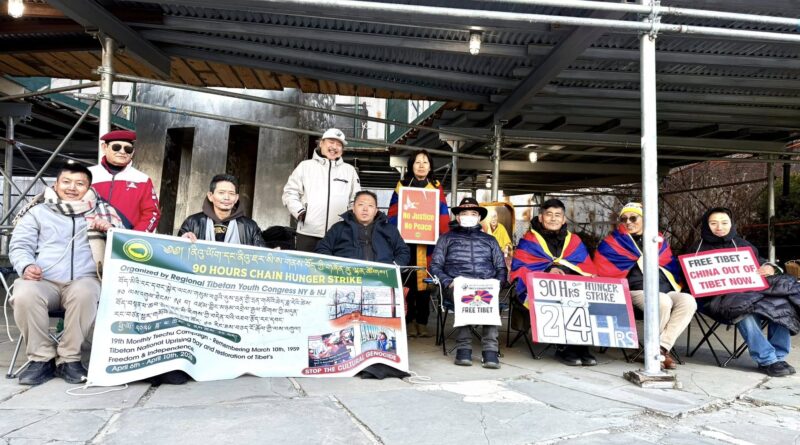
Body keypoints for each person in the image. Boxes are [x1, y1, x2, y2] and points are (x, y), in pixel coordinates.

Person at [9, 163, 125, 385]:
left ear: (89, 187)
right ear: (56, 184)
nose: (72, 188)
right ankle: (41, 359)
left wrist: (110, 231)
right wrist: (26, 266)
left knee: (87, 292)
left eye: (80, 183)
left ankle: (69, 360)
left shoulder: (103, 211)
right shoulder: (37, 211)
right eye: (67, 182)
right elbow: (19, 245)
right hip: (44, 280)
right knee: (23, 292)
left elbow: (126, 247)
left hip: (84, 279)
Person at [690, 207, 798, 377]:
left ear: (731, 224)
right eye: (713, 223)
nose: (719, 227)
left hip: (752, 294)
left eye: (724, 223)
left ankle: (778, 357)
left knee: (781, 306)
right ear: (706, 225)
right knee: (744, 311)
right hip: (717, 299)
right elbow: (688, 278)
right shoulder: (696, 249)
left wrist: (768, 267)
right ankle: (767, 360)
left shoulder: (743, 244)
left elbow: (761, 262)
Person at [594, 202, 696, 370]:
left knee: (688, 300)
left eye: (633, 217)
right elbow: (603, 268)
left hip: (662, 288)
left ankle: (661, 348)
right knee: (661, 301)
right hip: (632, 290)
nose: (628, 222)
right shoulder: (612, 242)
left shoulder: (658, 240)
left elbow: (669, 264)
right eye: (624, 218)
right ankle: (654, 353)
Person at [509, 198, 598, 366]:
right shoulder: (529, 240)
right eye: (549, 214)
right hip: (536, 291)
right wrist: (547, 271)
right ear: (541, 217)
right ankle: (565, 348)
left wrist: (566, 272)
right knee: (563, 299)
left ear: (564, 219)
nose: (553, 218)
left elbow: (584, 266)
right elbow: (519, 268)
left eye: (558, 215)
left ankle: (581, 346)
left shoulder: (574, 241)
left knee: (585, 297)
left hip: (570, 287)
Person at [430, 197, 507, 369]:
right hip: (457, 285)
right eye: (464, 213)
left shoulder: (490, 240)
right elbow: (435, 265)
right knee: (465, 295)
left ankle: (490, 351)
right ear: (457, 217)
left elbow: (501, 267)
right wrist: (448, 282)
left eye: (473, 213)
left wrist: (498, 283)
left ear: (479, 218)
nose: (469, 216)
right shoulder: (446, 238)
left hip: (485, 284)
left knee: (488, 297)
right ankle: (463, 348)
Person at [387, 150, 450, 338]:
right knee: (407, 282)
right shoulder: (402, 185)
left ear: (430, 166)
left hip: (427, 242)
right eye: (417, 162)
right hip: (406, 242)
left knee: (424, 283)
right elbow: (393, 212)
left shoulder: (436, 187)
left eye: (425, 162)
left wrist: (441, 237)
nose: (421, 165)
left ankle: (422, 323)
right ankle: (408, 322)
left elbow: (443, 214)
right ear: (411, 165)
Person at [282, 128, 361, 252]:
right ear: (321, 143)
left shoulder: (349, 171)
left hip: (339, 234)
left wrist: (349, 222)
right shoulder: (305, 166)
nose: (334, 147)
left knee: (333, 270)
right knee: (306, 269)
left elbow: (356, 200)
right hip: (308, 233)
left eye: (339, 144)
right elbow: (289, 192)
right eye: (331, 142)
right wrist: (300, 212)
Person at [89, 130, 160, 232]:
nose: (122, 152)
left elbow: (152, 212)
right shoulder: (88, 174)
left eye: (128, 149)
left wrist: (134, 237)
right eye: (116, 147)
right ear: (104, 147)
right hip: (89, 235)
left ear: (133, 152)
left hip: (124, 240)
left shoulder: (143, 179)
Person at [316, 191, 409, 265]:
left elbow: (403, 252)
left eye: (370, 206)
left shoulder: (390, 229)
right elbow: (322, 249)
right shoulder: (338, 228)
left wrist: (393, 268)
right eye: (361, 205)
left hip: (381, 279)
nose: (365, 209)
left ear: (376, 210)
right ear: (353, 208)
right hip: (347, 279)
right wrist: (334, 267)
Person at [177, 174, 265, 246]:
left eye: (231, 193)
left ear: (236, 198)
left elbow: (261, 254)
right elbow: (176, 249)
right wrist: (183, 240)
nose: (226, 197)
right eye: (221, 193)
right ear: (210, 196)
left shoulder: (250, 226)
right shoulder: (193, 222)